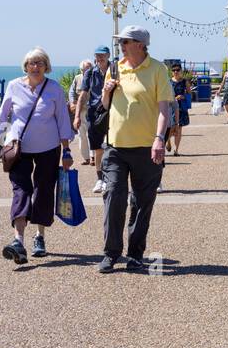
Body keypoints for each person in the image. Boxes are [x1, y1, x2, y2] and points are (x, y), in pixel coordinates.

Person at [0, 48, 73, 263]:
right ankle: (18, 240)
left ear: (46, 66)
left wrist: (67, 150)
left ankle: (39, 236)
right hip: (18, 148)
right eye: (32, 63)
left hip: (49, 148)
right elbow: (2, 117)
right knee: (21, 190)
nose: (36, 66)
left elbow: (63, 120)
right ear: (25, 66)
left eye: (40, 63)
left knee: (43, 191)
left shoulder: (53, 89)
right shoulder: (14, 86)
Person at [98, 25, 173, 273]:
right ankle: (110, 253)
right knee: (113, 197)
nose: (121, 45)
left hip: (146, 147)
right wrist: (107, 92)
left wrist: (160, 139)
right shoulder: (114, 68)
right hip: (116, 146)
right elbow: (104, 105)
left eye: (126, 41)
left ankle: (135, 254)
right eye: (121, 41)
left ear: (140, 44)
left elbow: (164, 109)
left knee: (142, 203)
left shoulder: (157, 70)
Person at [75, 46, 112, 192]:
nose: (100, 58)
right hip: (95, 113)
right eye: (97, 55)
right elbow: (83, 95)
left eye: (102, 55)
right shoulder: (90, 73)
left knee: (115, 147)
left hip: (113, 112)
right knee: (97, 148)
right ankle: (100, 179)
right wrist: (77, 115)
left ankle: (113, 179)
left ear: (108, 55)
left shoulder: (115, 70)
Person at [71, 60, 93, 164]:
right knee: (82, 135)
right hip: (80, 111)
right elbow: (71, 92)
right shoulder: (77, 78)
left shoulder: (95, 77)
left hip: (92, 111)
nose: (88, 71)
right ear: (81, 70)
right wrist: (72, 103)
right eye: (85, 69)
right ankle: (86, 158)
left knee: (91, 134)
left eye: (89, 68)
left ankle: (93, 157)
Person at [169, 63, 190, 154]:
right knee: (169, 128)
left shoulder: (185, 82)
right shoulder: (168, 82)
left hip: (181, 108)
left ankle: (176, 150)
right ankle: (168, 141)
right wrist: (173, 98)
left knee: (179, 128)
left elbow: (189, 94)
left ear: (181, 71)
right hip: (170, 108)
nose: (176, 72)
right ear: (172, 72)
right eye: (174, 70)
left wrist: (183, 96)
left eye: (178, 70)